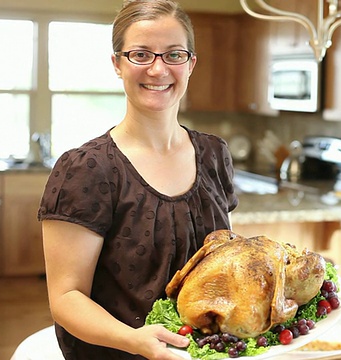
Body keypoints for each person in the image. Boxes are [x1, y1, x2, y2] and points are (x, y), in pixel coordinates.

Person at [37, 1, 238, 359]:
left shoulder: (213, 153)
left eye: (173, 54)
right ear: (117, 64)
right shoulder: (86, 168)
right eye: (141, 54)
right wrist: (136, 341)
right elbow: (66, 299)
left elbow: (219, 261)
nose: (158, 69)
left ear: (190, 64)